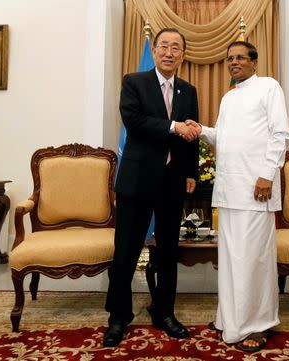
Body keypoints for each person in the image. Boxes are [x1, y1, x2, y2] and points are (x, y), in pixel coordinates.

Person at [187, 41, 289, 352]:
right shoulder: (228, 97)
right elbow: (224, 137)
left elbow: (279, 134)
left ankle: (258, 324)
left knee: (254, 260)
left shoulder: (269, 87)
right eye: (230, 58)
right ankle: (229, 319)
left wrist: (267, 175)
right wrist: (201, 129)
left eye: (240, 58)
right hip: (229, 190)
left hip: (256, 188)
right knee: (232, 260)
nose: (234, 63)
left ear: (254, 62)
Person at [103, 28, 200, 347]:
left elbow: (192, 137)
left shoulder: (189, 90)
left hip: (172, 183)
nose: (170, 52)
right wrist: (173, 126)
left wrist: (190, 173)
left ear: (183, 55)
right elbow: (134, 121)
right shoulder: (134, 82)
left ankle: (164, 312)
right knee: (126, 252)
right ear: (155, 51)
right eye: (164, 47)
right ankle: (118, 317)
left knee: (169, 252)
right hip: (137, 179)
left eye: (176, 48)